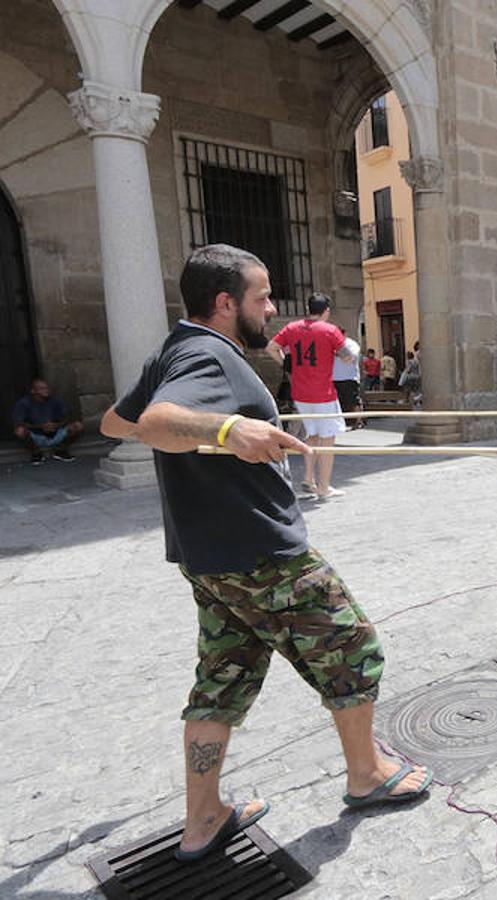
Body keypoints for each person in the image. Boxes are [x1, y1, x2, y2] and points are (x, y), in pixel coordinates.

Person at [99, 244, 430, 862]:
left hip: (210, 558)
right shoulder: (207, 354)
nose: (272, 308)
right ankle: (367, 775)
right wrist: (226, 430)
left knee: (221, 681)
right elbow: (157, 421)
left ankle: (203, 819)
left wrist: (202, 434)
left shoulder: (174, 347)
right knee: (352, 647)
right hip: (260, 552)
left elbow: (117, 423)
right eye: (262, 296)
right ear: (225, 303)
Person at [267, 292, 353, 501]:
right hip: (323, 393)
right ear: (326, 311)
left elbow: (271, 348)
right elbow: (347, 357)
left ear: (308, 309)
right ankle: (324, 487)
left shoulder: (292, 328)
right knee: (327, 440)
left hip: (301, 392)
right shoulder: (330, 330)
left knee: (312, 436)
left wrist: (287, 366)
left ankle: (309, 479)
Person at [12, 377, 84, 465]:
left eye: (47, 388)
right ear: (33, 391)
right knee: (19, 431)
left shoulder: (56, 400)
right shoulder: (24, 403)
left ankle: (60, 450)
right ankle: (36, 453)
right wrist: (40, 426)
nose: (46, 391)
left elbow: (68, 417)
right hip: (36, 435)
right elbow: (18, 422)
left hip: (56, 433)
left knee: (78, 426)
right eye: (42, 389)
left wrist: (57, 425)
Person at [333, 327, 363, 429]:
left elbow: (350, 357)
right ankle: (341, 422)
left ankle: (358, 421)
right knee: (337, 402)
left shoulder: (351, 344)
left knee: (353, 401)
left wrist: (336, 353)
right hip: (334, 378)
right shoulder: (332, 344)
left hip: (349, 377)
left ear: (344, 334)